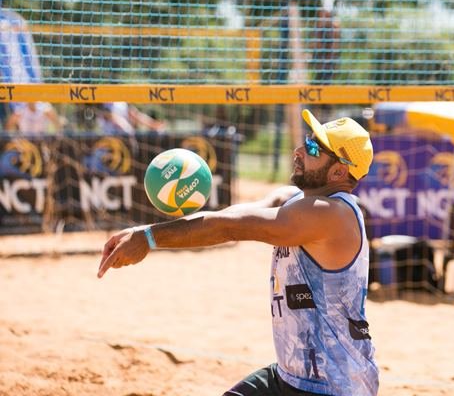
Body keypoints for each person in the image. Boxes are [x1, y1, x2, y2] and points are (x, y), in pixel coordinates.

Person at [97, 109, 379, 396]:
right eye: (307, 140)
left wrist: (149, 239)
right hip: (291, 376)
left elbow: (230, 228)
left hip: (335, 385)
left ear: (339, 172)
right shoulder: (295, 200)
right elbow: (233, 215)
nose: (298, 151)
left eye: (312, 148)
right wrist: (145, 231)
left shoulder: (333, 214)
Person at [97, 102, 165, 135]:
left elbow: (135, 115)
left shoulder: (121, 103)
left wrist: (153, 124)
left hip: (127, 137)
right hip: (112, 138)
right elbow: (112, 117)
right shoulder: (105, 104)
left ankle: (154, 125)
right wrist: (128, 129)